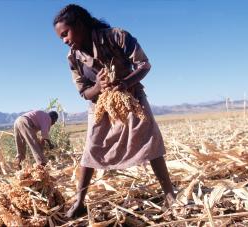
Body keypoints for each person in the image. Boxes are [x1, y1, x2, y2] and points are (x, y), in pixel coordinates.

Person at [53, 4, 176, 218]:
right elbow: (84, 92)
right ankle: (80, 201)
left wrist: (124, 83)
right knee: (92, 147)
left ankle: (170, 195)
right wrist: (99, 87)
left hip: (131, 98)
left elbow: (144, 64)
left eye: (66, 33)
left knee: (150, 139)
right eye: (60, 37)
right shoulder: (73, 58)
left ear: (79, 25)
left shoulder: (116, 36)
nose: (64, 40)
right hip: (101, 105)